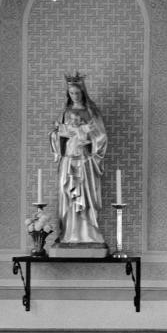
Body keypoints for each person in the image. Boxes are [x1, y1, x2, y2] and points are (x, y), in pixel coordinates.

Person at [50, 73, 107, 245]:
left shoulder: (92, 112)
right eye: (71, 93)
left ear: (83, 93)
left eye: (77, 93)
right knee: (68, 194)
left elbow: (101, 135)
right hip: (69, 160)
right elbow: (55, 135)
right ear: (68, 94)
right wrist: (60, 132)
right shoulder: (65, 113)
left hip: (84, 160)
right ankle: (68, 233)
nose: (75, 96)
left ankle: (88, 233)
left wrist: (85, 133)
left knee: (86, 195)